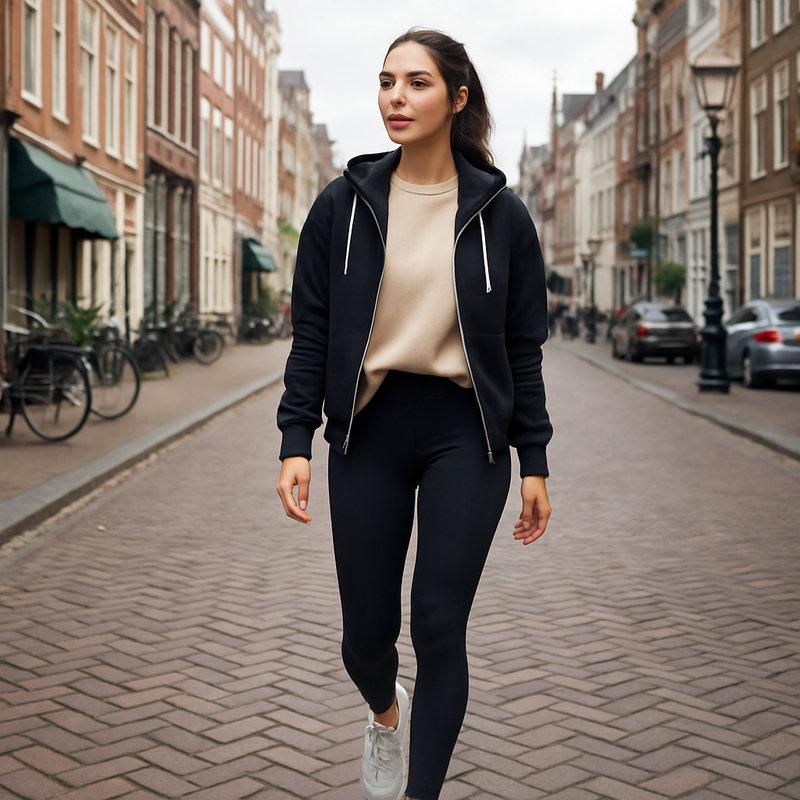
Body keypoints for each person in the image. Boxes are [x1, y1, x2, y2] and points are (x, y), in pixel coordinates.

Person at [276, 28, 553, 800]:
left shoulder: (504, 217)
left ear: (457, 98)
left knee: (437, 622)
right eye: (387, 82)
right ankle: (385, 712)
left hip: (468, 432)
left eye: (418, 83)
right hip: (369, 427)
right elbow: (314, 333)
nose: (397, 97)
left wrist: (535, 459)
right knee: (366, 639)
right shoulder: (343, 206)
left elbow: (523, 350)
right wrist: (296, 438)